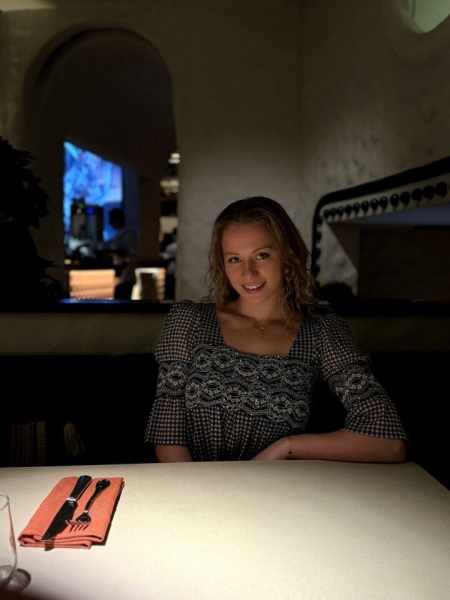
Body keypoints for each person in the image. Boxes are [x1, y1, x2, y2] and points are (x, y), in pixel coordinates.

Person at [144, 197, 408, 462]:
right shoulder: (189, 320)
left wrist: (286, 447)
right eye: (235, 259)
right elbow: (167, 435)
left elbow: (388, 440)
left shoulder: (321, 331)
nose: (249, 273)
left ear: (287, 254)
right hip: (192, 485)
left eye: (262, 255)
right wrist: (206, 489)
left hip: (279, 485)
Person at [97, 208, 137, 299]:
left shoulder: (128, 235)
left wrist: (116, 253)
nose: (110, 222)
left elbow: (131, 255)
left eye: (111, 219)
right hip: (120, 273)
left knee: (122, 300)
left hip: (126, 274)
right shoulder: (120, 235)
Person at [159, 227, 178, 299]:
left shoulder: (171, 247)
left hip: (171, 271)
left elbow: (165, 257)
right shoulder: (183, 247)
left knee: (170, 292)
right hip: (177, 271)